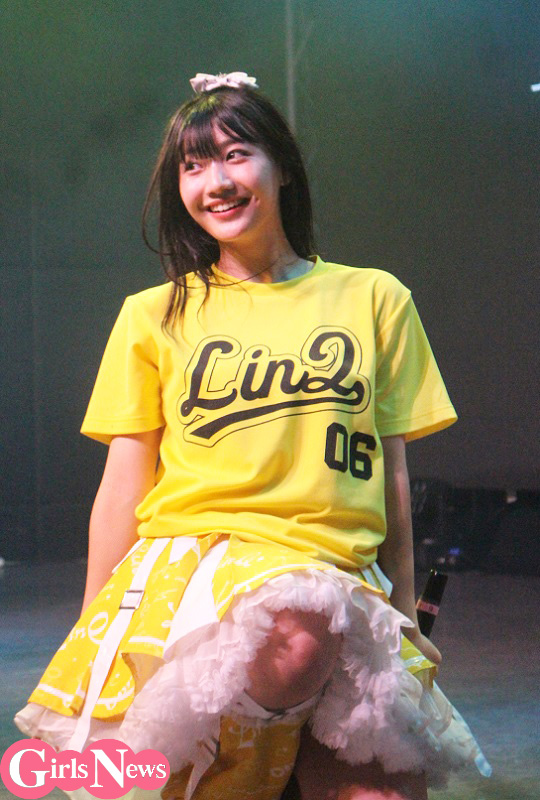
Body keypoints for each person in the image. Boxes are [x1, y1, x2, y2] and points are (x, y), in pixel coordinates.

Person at [15, 71, 491, 800]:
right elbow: (123, 484)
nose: (216, 182)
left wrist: (400, 610)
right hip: (203, 570)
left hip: (343, 577)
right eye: (193, 165)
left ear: (283, 168)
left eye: (236, 155)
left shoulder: (375, 297)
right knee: (299, 633)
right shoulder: (153, 314)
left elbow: (389, 474)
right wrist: (93, 631)